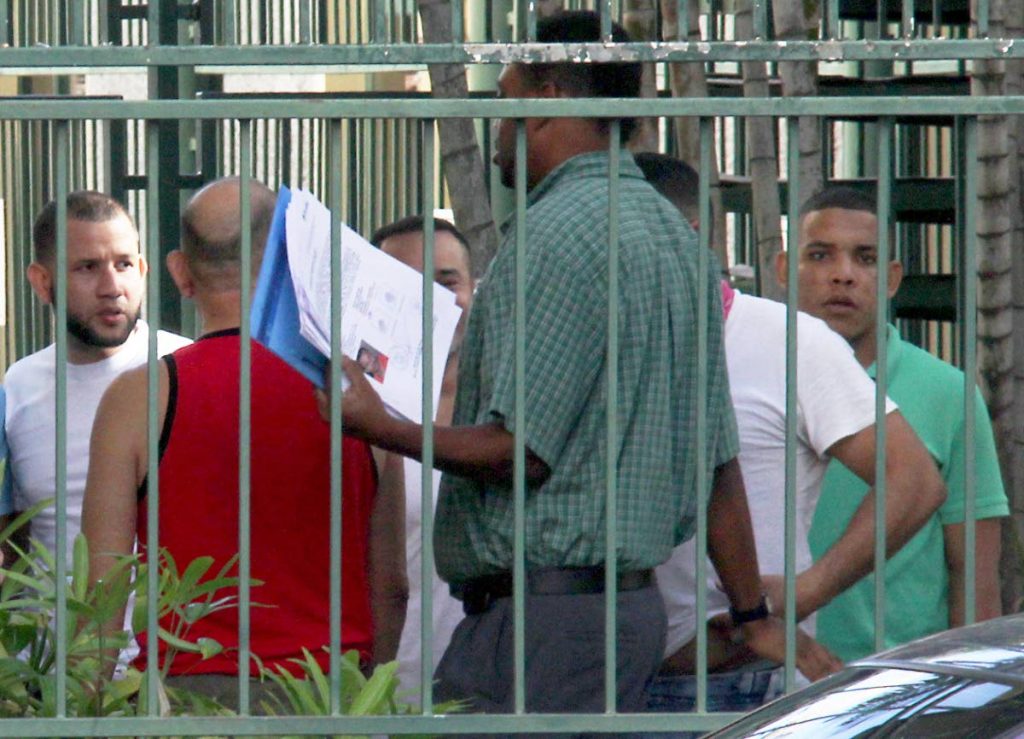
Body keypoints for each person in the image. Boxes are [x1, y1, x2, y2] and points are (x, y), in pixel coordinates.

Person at [325, 10, 837, 718]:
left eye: (505, 105)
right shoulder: (673, 238)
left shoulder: (558, 236)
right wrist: (750, 612)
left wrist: (378, 423)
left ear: (548, 103)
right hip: (622, 616)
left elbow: (521, 450)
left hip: (542, 625)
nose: (498, 134)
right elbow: (715, 460)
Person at [636, 154, 947, 718]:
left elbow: (915, 480)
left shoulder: (790, 340)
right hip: (594, 676)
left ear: (685, 234)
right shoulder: (604, 338)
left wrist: (810, 589)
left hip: (735, 687)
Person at [82, 178, 406, 708]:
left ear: (180, 274)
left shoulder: (139, 400)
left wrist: (91, 706)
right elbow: (390, 585)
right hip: (329, 691)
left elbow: (103, 591)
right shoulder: (360, 398)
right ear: (290, 259)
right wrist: (368, 695)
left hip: (191, 699)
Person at [786, 186, 1010, 661]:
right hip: (760, 682)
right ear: (785, 269)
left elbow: (973, 577)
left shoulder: (948, 395)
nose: (843, 276)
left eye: (864, 258)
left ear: (891, 280)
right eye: (821, 255)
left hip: (894, 688)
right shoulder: (751, 380)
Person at [1, 191, 190, 564]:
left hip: (170, 621)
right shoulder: (18, 387)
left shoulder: (183, 368)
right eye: (88, 267)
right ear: (42, 282)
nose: (111, 288)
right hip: (51, 621)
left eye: (123, 265)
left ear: (142, 270)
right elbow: (14, 540)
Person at [369, 215, 474, 702]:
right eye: (406, 284)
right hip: (379, 698)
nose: (431, 300)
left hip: (499, 698)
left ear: (474, 288)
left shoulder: (514, 411)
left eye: (446, 282)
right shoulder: (353, 419)